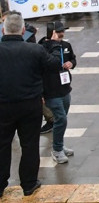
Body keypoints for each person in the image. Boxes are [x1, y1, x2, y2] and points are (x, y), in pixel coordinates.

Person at [0, 11, 62, 197]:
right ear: (22, 30)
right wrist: (53, 43)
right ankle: (28, 183)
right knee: (29, 144)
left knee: (2, 145)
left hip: (2, 106)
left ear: (3, 30)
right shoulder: (35, 50)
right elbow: (55, 65)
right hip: (30, 105)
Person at [39, 22, 76, 164]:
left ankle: (58, 144)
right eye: (59, 31)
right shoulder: (42, 48)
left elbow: (73, 58)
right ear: (52, 32)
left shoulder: (66, 46)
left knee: (62, 119)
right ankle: (57, 149)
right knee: (61, 119)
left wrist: (71, 63)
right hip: (51, 91)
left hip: (65, 89)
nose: (62, 34)